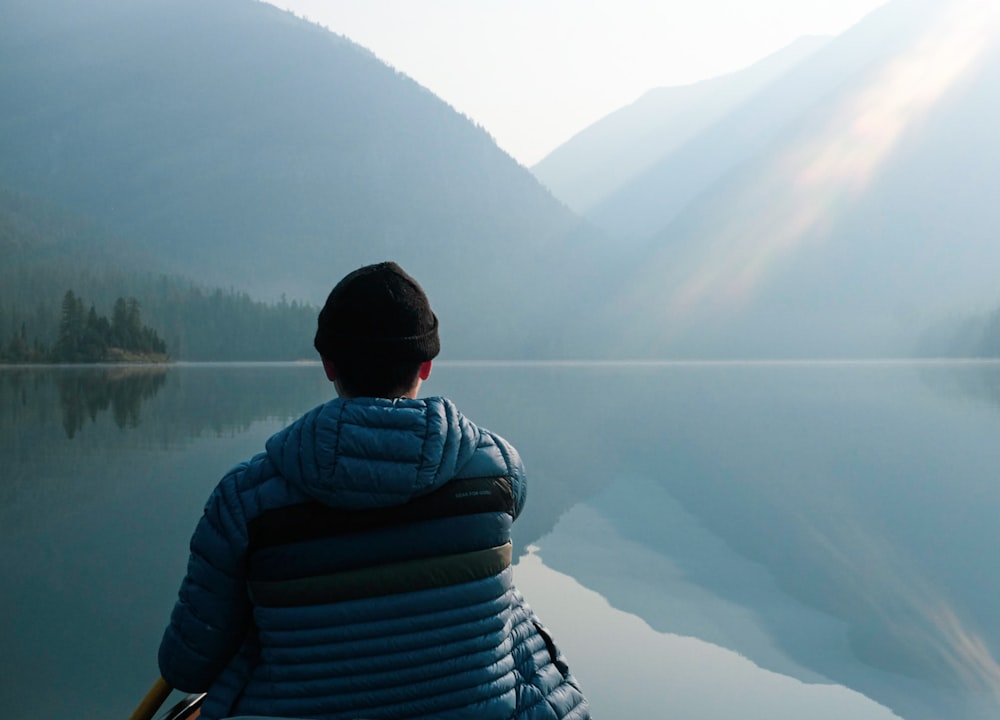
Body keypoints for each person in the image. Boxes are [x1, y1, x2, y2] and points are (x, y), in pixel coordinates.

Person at [158, 261, 591, 720]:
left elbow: (187, 668)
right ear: (426, 364)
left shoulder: (243, 501)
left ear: (328, 366)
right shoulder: (499, 473)